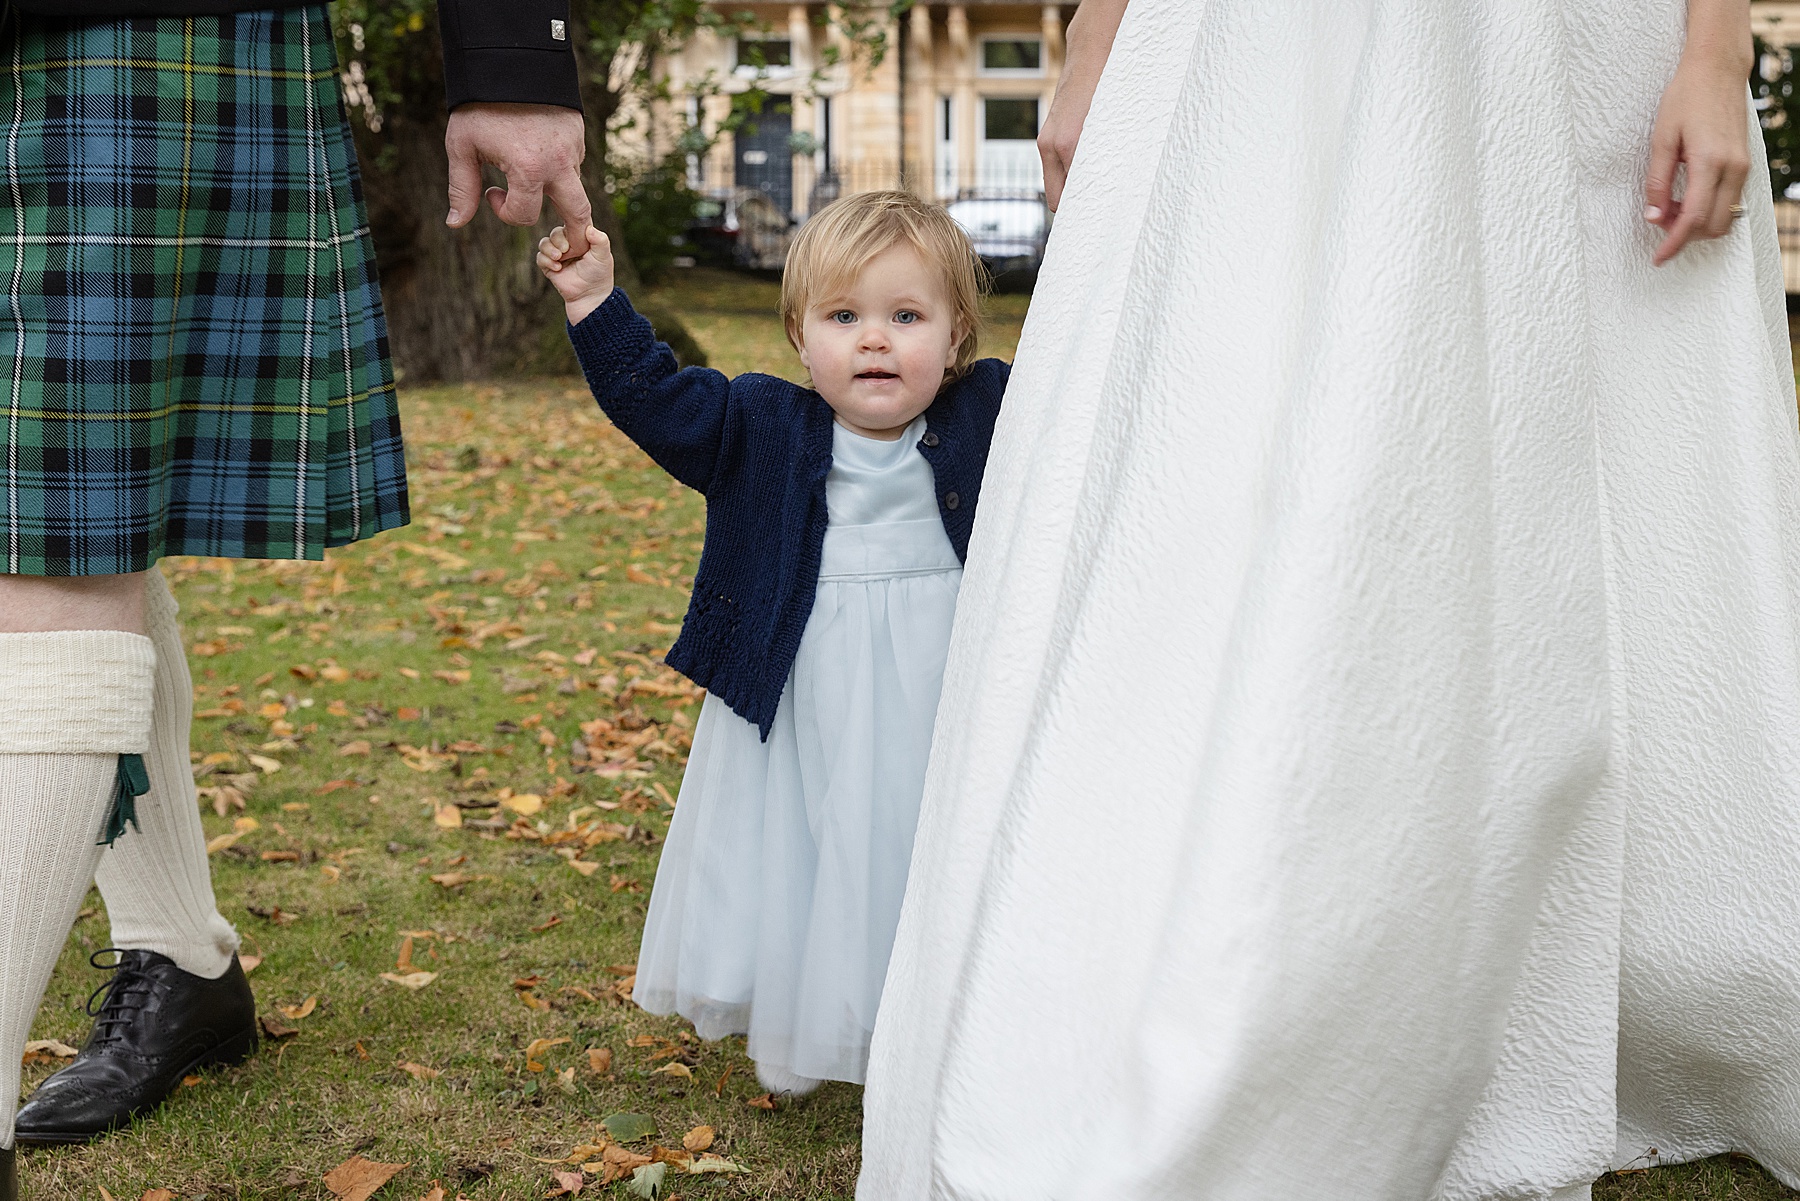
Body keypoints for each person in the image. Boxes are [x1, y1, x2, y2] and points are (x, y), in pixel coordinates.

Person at [858, 0, 1800, 1198]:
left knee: (1633, 445)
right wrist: (1096, 35)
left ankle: (1654, 980)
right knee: (1254, 425)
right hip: (1275, 43)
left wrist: (1716, 50)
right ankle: (1266, 977)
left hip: (1589, 41)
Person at [0, 0, 592, 1186]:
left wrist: (515, 55)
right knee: (59, 515)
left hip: (127, 37)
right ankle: (183, 957)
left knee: (55, 532)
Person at [536, 191, 1007, 1094]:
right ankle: (832, 1017)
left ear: (956, 337)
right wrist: (594, 298)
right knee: (820, 842)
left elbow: (1094, 390)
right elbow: (654, 398)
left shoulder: (994, 412)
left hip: (945, 680)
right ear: (799, 336)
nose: (875, 340)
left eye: (907, 317)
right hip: (805, 688)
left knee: (923, 838)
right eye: (844, 317)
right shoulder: (758, 424)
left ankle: (949, 1021)